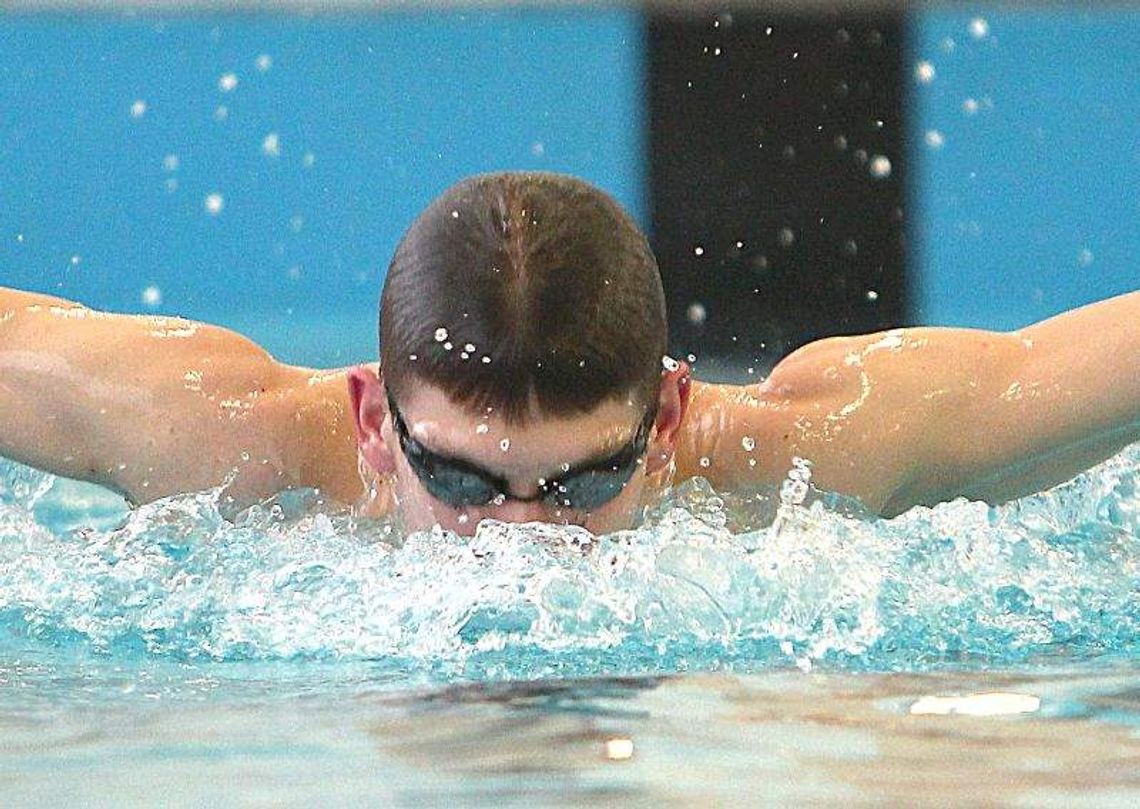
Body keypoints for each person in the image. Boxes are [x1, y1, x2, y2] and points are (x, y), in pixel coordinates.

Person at [1, 172, 1137, 536]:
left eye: (588, 481)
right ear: (369, 418)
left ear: (673, 417)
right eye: (458, 479)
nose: (523, 544)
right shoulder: (222, 437)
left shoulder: (814, 460)